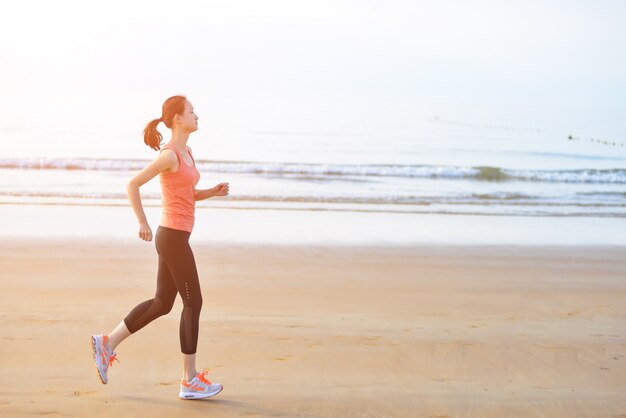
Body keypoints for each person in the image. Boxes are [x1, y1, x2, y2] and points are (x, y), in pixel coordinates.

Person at [90, 95, 229, 400]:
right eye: (192, 111)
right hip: (172, 237)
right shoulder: (169, 155)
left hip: (177, 237)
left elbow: (187, 194)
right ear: (177, 118)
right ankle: (189, 380)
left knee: (162, 303)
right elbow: (133, 184)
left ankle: (107, 342)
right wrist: (142, 222)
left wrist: (212, 192)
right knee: (194, 303)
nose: (197, 115)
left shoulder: (187, 152)